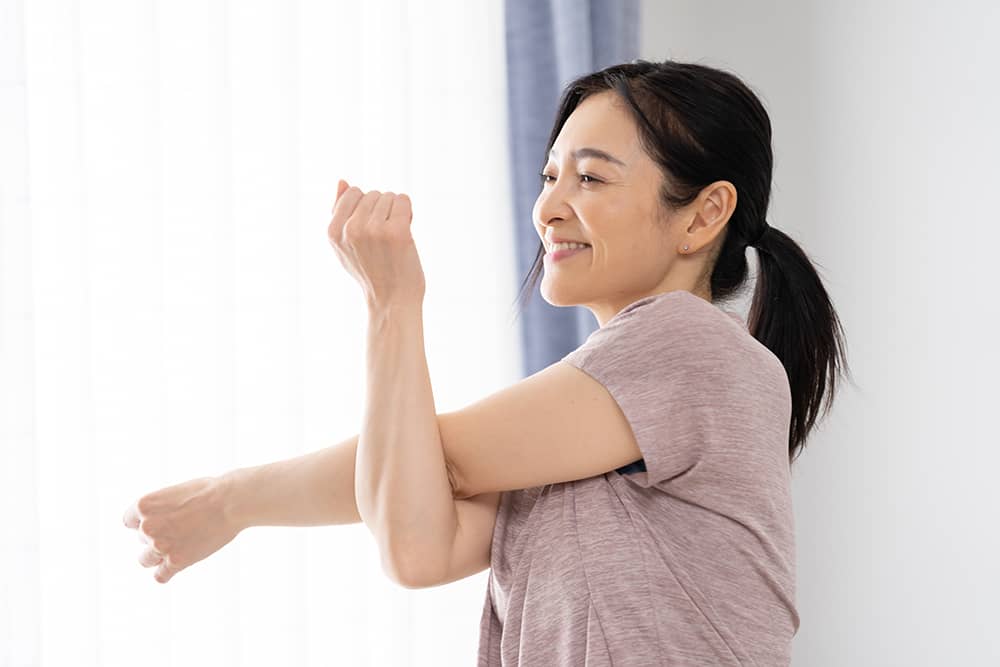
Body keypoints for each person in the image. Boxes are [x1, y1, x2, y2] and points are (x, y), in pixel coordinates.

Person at [123, 59, 851, 666]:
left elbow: (442, 459)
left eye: (590, 179)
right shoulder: (585, 429)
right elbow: (414, 539)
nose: (549, 208)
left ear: (702, 214)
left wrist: (393, 304)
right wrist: (231, 502)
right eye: (549, 175)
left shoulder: (689, 344)